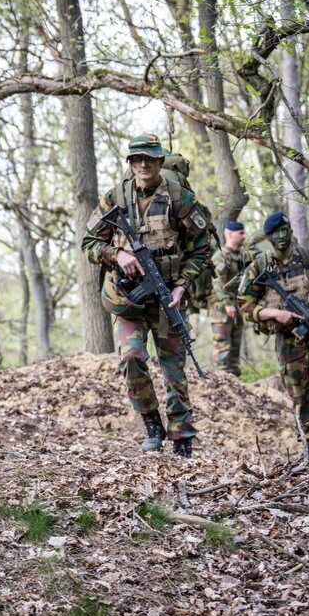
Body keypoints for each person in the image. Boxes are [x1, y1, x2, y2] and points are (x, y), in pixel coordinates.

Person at [81, 134, 211, 458]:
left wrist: (182, 286)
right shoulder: (116, 197)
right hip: (128, 299)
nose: (143, 165)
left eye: (149, 159)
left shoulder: (178, 197)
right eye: (137, 159)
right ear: (130, 163)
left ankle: (182, 438)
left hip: (167, 299)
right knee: (131, 357)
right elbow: (89, 243)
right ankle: (152, 422)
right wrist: (117, 256)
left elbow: (202, 248)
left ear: (159, 161)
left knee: (173, 369)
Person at [237, 211, 309, 463]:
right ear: (268, 237)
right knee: (298, 393)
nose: (281, 237)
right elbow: (244, 305)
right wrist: (273, 313)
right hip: (288, 338)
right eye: (275, 233)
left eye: (284, 231)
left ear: (290, 231)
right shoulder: (259, 266)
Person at [209, 221, 252, 376]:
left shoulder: (240, 256)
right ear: (229, 234)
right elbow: (217, 281)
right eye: (240, 233)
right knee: (222, 344)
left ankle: (234, 379)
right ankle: (222, 379)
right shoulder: (221, 256)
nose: (244, 236)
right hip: (221, 308)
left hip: (237, 306)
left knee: (235, 344)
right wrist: (227, 303)